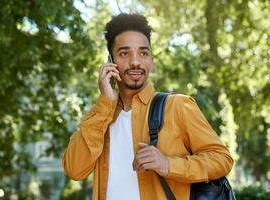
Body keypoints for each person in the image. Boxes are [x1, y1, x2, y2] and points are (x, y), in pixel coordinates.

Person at [62, 13, 234, 200]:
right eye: (124, 53)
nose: (135, 62)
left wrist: (168, 165)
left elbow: (222, 159)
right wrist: (105, 104)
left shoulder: (177, 106)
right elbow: (74, 170)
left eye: (143, 53)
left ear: (151, 60)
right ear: (111, 61)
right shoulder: (100, 118)